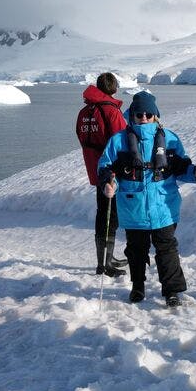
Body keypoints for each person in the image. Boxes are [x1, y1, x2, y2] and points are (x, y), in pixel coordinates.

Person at [98, 91, 196, 308]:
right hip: (133, 207)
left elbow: (181, 167)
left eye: (149, 114)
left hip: (164, 206)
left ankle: (172, 290)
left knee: (167, 248)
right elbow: (106, 167)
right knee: (136, 249)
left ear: (156, 115)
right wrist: (108, 184)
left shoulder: (170, 138)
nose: (144, 118)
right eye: (139, 114)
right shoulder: (118, 141)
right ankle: (138, 286)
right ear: (133, 115)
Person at [77, 72, 128, 278]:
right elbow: (121, 142)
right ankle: (104, 264)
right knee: (110, 215)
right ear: (113, 88)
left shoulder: (84, 111)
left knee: (103, 211)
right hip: (110, 170)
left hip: (94, 167)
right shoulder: (111, 111)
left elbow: (81, 137)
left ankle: (107, 258)